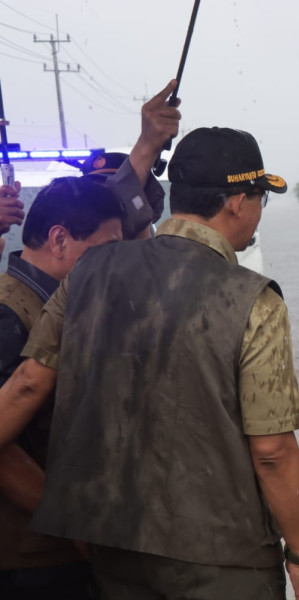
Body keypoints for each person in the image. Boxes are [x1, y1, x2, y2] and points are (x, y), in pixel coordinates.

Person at [0, 127, 299, 600]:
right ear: (236, 201)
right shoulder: (253, 298)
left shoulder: (88, 274)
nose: (257, 213)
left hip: (113, 549)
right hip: (220, 560)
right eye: (259, 200)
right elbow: (271, 452)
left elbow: (27, 386)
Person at [0, 177, 123, 599]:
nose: (115, 264)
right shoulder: (9, 314)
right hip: (33, 560)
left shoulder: (61, 305)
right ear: (59, 239)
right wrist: (71, 524)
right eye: (108, 249)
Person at [80, 79, 181, 240]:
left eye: (109, 189)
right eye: (92, 193)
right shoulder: (80, 255)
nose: (101, 202)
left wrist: (147, 147)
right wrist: (146, 146)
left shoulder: (163, 258)